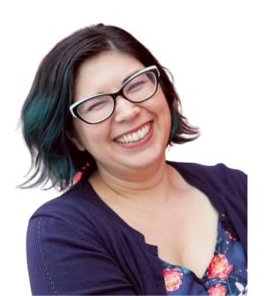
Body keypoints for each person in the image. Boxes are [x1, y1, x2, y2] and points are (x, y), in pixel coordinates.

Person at [20, 23, 247, 295]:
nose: (128, 111)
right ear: (73, 135)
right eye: (97, 104)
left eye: (136, 84)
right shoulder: (61, 232)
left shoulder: (238, 187)